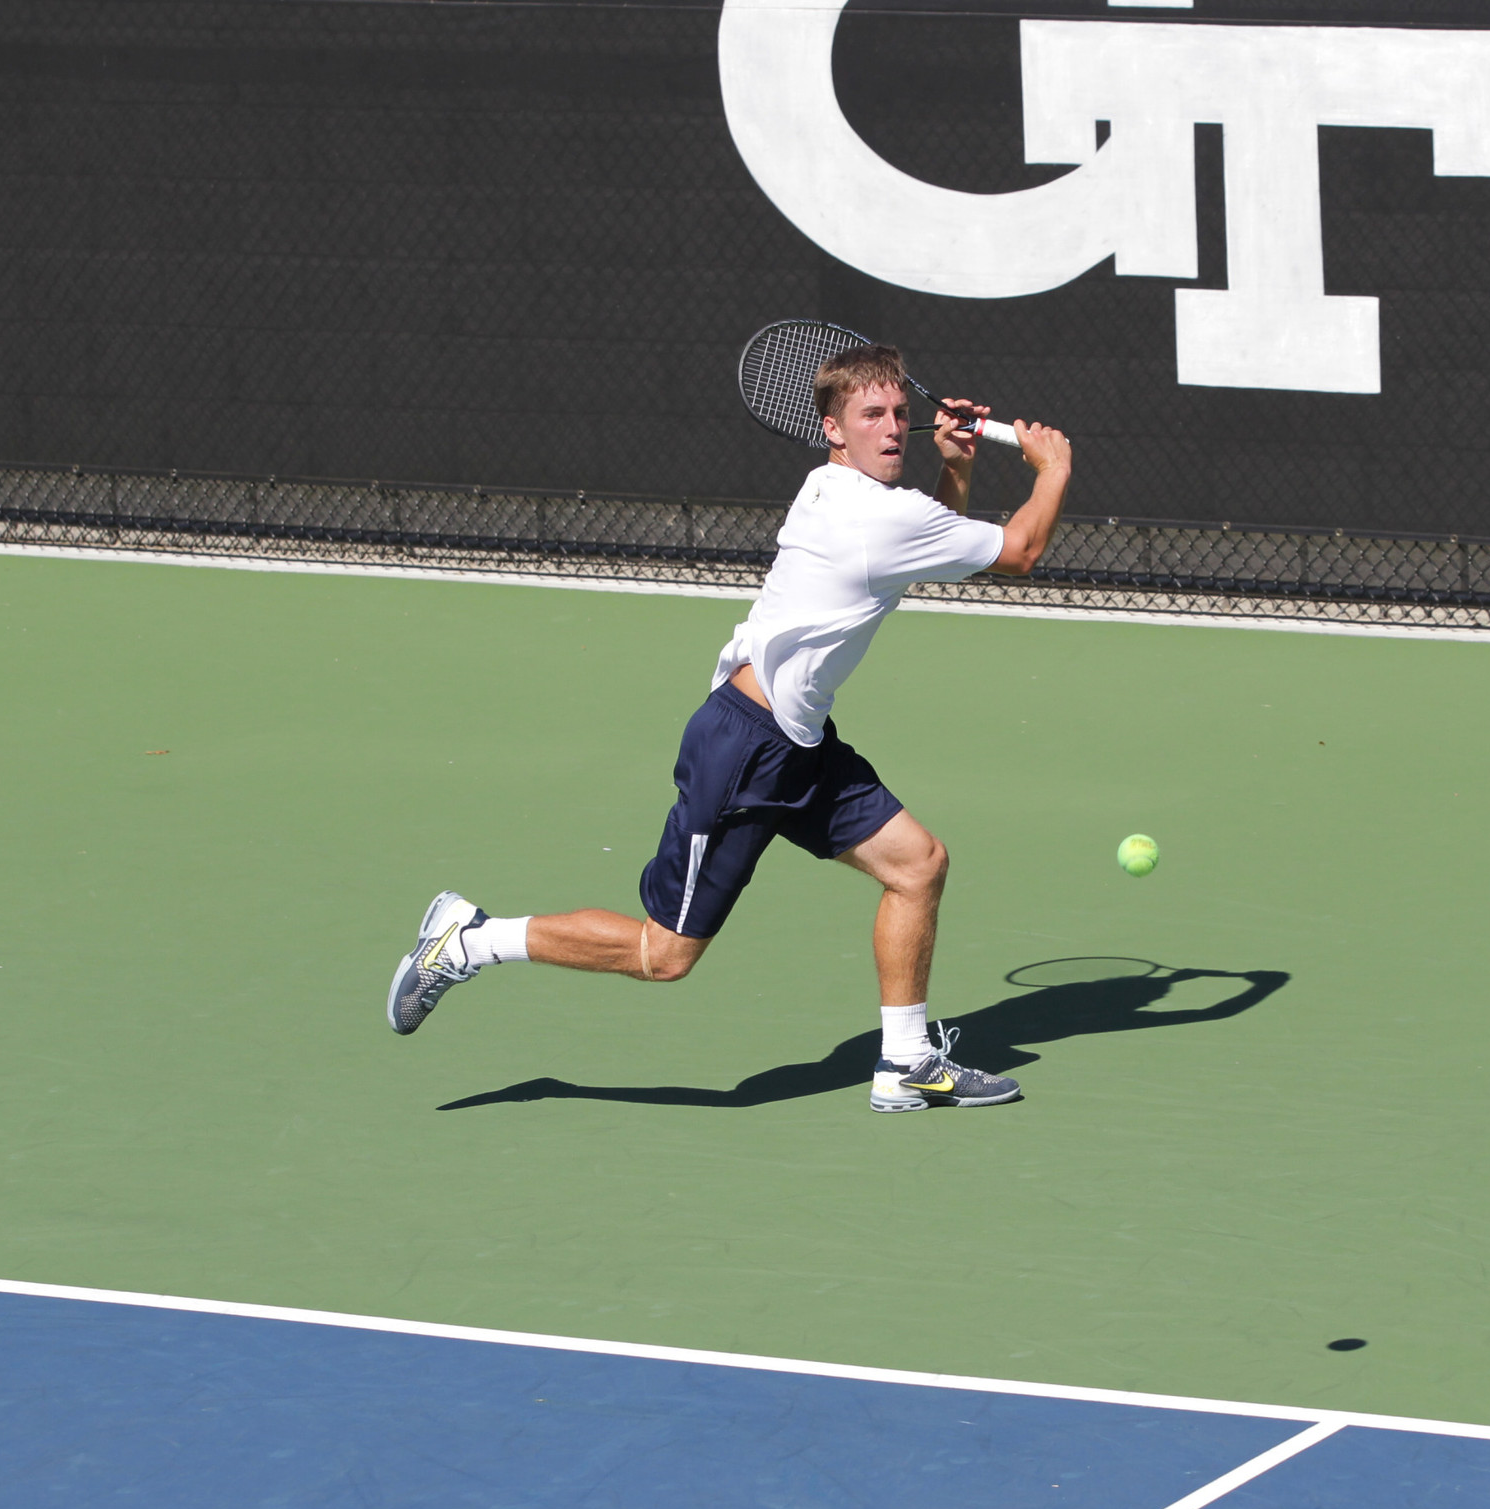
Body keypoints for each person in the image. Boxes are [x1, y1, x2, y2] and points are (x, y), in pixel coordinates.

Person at [386, 343, 1075, 1113]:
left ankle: (907, 1061)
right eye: (870, 415)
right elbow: (1019, 551)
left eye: (899, 415)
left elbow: (928, 538)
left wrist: (956, 465)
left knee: (918, 864)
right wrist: (1050, 468)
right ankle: (469, 939)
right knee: (663, 953)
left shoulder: (840, 493)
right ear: (832, 430)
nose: (890, 428)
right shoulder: (874, 517)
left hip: (799, 742)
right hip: (745, 750)